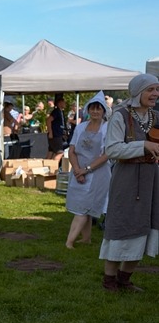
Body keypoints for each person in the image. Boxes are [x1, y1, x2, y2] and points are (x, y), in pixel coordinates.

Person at [99, 73, 159, 291]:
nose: (155, 94)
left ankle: (124, 279)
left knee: (145, 225)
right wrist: (143, 146)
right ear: (138, 92)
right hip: (126, 178)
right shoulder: (121, 116)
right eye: (150, 90)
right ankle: (109, 280)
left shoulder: (156, 117)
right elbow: (112, 149)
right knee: (122, 225)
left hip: (151, 179)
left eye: (157, 89)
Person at [65, 92, 110, 249]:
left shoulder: (107, 128)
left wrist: (87, 169)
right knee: (83, 206)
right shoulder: (81, 127)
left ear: (104, 111)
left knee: (84, 208)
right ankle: (86, 238)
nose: (95, 112)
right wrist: (77, 169)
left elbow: (107, 154)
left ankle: (69, 241)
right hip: (78, 171)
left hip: (97, 173)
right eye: (93, 108)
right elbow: (71, 150)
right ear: (88, 110)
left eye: (99, 109)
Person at [46, 95, 67, 160]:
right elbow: (49, 120)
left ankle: (46, 166)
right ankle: (53, 167)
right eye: (63, 102)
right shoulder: (56, 111)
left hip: (59, 134)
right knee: (60, 152)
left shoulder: (61, 112)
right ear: (59, 103)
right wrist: (50, 132)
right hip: (55, 135)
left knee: (51, 152)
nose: (65, 104)